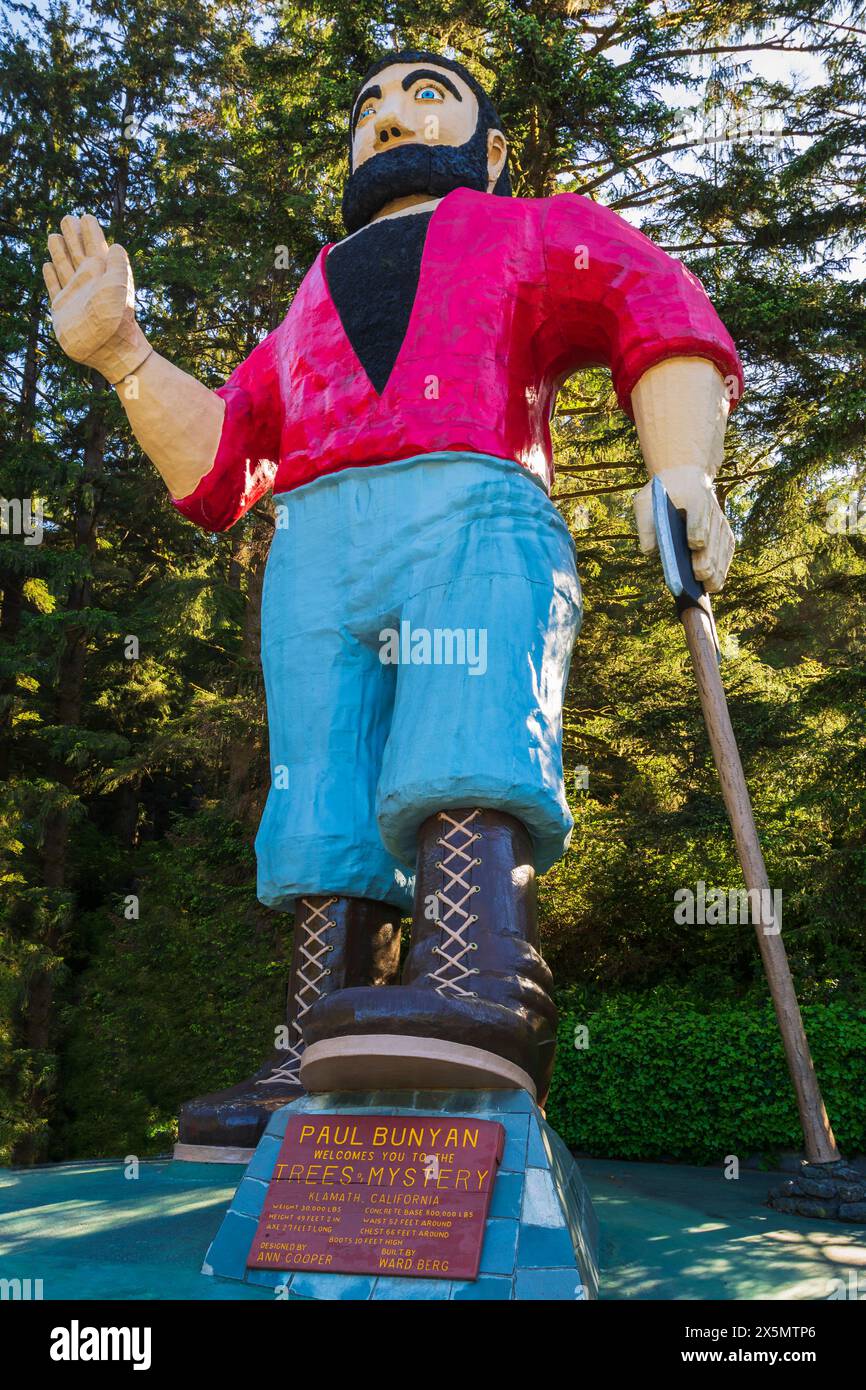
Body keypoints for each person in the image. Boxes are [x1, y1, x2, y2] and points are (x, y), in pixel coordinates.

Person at [44, 51, 742, 1156]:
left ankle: (476, 979)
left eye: (423, 95)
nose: (384, 116)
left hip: (469, 505)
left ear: (490, 147)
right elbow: (222, 464)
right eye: (365, 104)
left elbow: (648, 304)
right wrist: (126, 356)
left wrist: (683, 467)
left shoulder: (525, 231)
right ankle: (309, 1039)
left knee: (463, 730)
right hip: (316, 539)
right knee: (319, 780)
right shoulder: (308, 299)